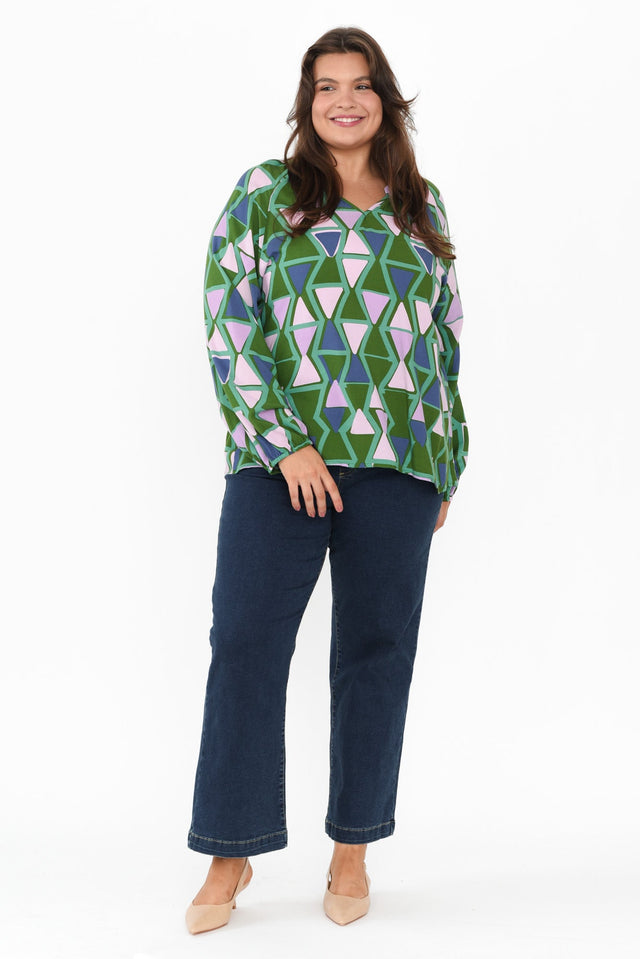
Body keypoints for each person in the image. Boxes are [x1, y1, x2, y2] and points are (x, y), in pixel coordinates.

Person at [185, 25, 469, 932]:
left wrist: (445, 459)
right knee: (245, 645)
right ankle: (230, 850)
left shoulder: (422, 207)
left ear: (386, 98)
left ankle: (353, 847)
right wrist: (284, 444)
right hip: (282, 466)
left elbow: (444, 340)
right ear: (307, 104)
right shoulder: (265, 194)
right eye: (325, 87)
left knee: (377, 653)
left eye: (360, 84)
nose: (344, 100)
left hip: (399, 464)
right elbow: (228, 319)